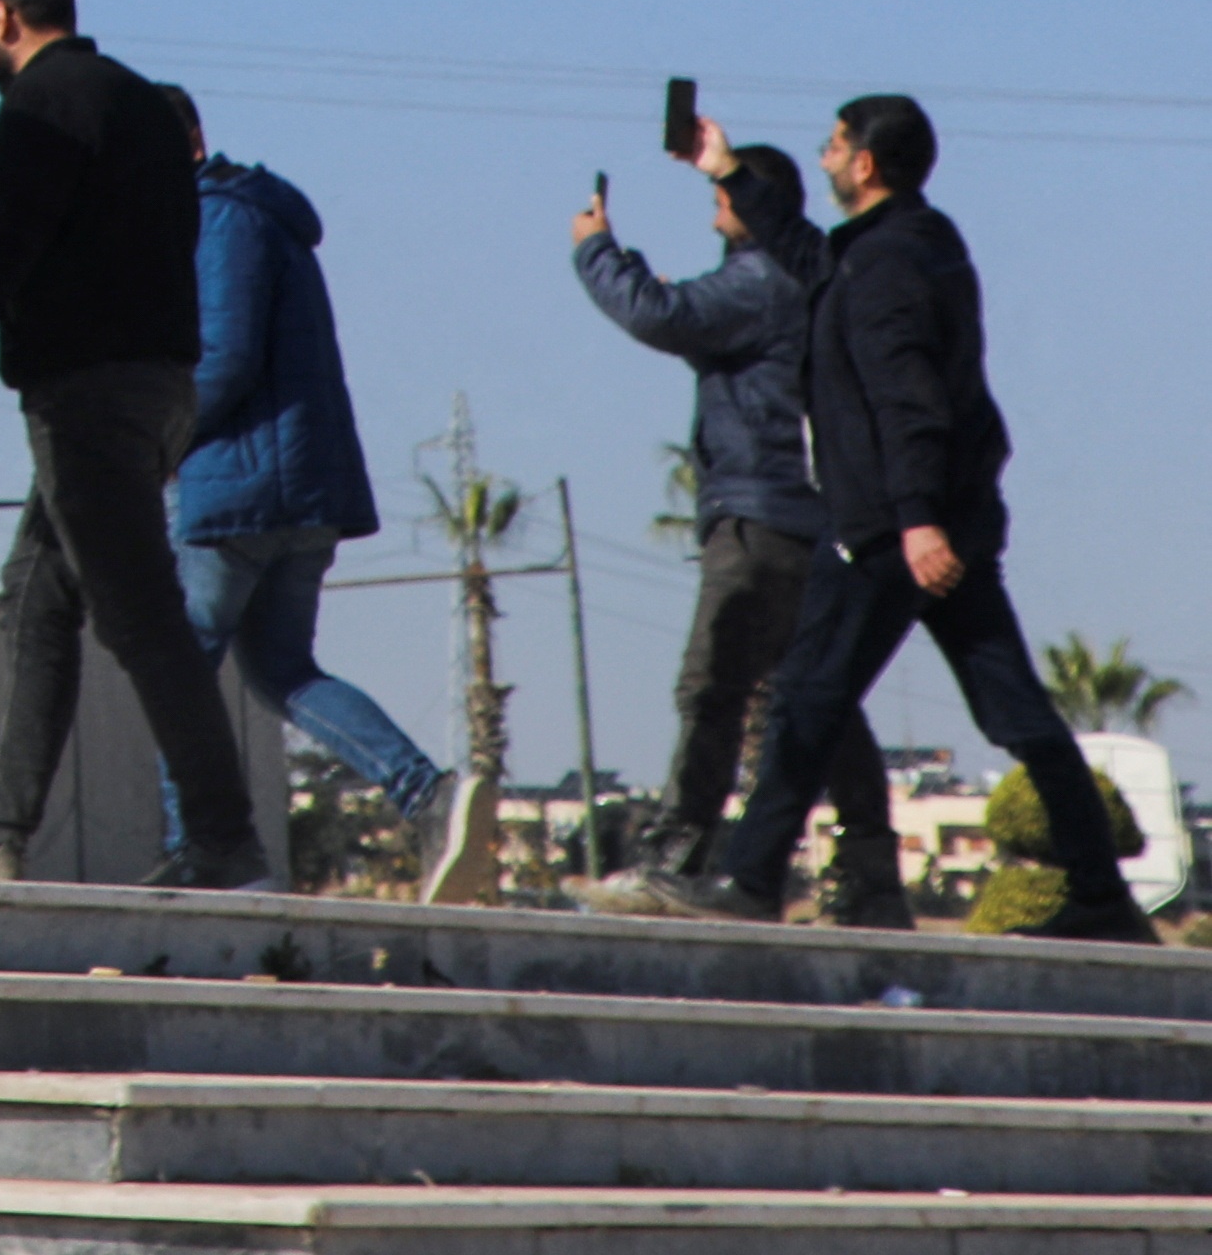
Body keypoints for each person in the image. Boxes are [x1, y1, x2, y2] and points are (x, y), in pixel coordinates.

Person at [604, 98, 1152, 940]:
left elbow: (909, 399)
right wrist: (723, 169)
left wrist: (913, 519)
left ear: (865, 164)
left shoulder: (887, 267)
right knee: (1013, 710)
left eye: (831, 147)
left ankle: (749, 878)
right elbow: (805, 257)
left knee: (805, 697)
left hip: (895, 529)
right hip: (941, 522)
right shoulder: (897, 249)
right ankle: (1102, 897)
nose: (821, 159)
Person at [0, 0, 270, 889]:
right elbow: (97, 230)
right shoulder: (137, 99)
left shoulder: (39, 104)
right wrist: (3, 174)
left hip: (87, 397)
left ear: (2, 17)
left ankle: (224, 838)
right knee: (36, 596)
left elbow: (0, 253)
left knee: (140, 616)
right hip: (159, 386)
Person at [570, 139, 901, 919]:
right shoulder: (808, 273)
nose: (719, 211)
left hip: (758, 520)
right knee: (820, 697)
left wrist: (596, 252)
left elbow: (662, 315)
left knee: (712, 688)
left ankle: (676, 855)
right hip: (811, 517)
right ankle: (870, 870)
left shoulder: (761, 277)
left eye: (726, 198)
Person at [175, 99, 490, 901]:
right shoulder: (254, 217)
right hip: (298, 489)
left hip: (242, 488)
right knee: (281, 668)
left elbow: (226, 355)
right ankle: (426, 794)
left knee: (176, 666)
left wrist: (152, 441)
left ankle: (198, 851)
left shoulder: (220, 219)